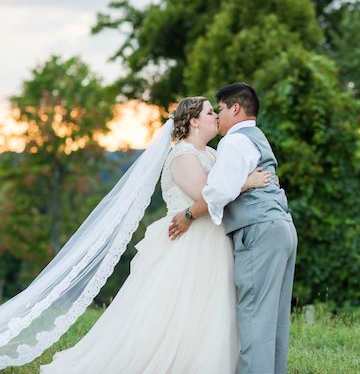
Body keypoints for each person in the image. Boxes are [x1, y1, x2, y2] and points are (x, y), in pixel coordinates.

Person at [0, 96, 271, 372]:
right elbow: (206, 196)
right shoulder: (182, 155)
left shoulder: (211, 154)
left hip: (213, 240)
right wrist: (246, 183)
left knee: (209, 310)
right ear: (193, 121)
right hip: (189, 243)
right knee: (180, 309)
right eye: (210, 112)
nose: (216, 116)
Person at [169, 83, 298, 374]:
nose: (218, 116)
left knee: (254, 318)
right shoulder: (257, 137)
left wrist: (188, 214)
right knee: (274, 321)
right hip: (282, 227)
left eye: (222, 109)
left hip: (260, 230)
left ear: (235, 109)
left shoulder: (234, 141)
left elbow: (217, 192)